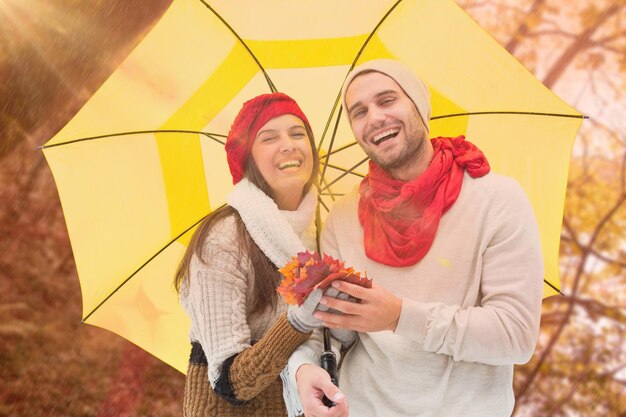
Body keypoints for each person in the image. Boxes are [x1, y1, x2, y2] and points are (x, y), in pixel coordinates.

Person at [287, 59, 544, 417]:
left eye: (387, 100)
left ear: (420, 106)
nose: (374, 117)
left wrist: (399, 317)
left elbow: (515, 335)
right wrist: (303, 369)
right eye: (358, 112)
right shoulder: (341, 220)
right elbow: (332, 330)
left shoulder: (497, 200)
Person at [174, 92, 329, 416]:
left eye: (297, 134)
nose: (288, 144)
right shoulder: (223, 239)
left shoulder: (320, 232)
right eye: (269, 138)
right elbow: (231, 382)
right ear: (248, 159)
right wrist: (299, 320)